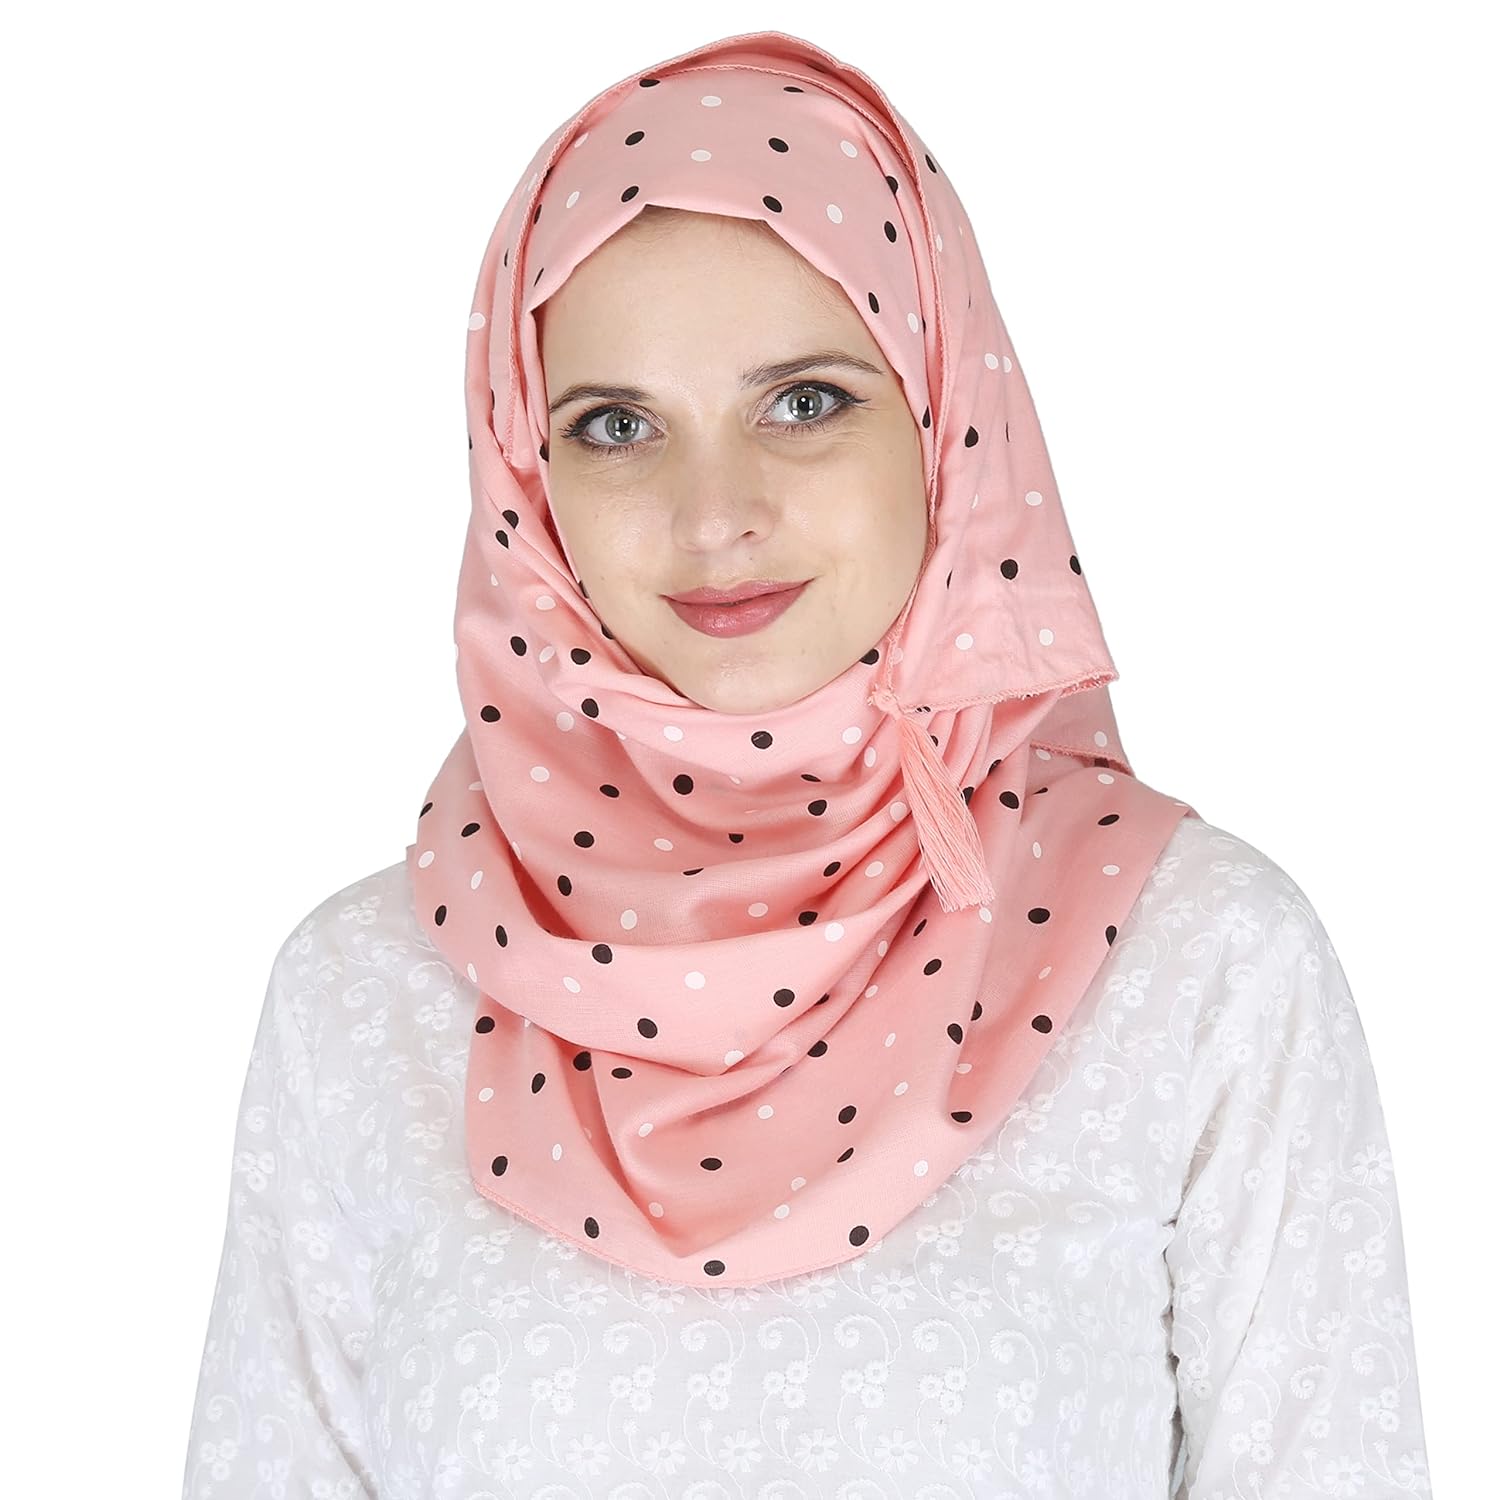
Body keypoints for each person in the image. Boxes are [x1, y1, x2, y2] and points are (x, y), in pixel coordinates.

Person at [181, 29, 1431, 1498]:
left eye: (805, 402)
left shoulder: (1200, 962)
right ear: (525, 479)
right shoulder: (363, 995)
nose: (716, 514)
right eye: (616, 427)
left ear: (948, 418)